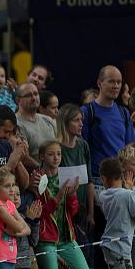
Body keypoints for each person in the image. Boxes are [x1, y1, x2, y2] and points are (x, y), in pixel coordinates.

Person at [35, 141, 92, 269]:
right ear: (42, 156)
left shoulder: (64, 176)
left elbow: (73, 211)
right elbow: (41, 213)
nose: (56, 158)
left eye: (59, 154)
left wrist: (72, 195)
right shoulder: (38, 179)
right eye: (51, 154)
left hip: (66, 236)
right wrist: (59, 196)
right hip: (47, 238)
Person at [81, 66, 135, 181]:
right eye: (111, 81)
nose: (116, 86)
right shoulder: (86, 112)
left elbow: (129, 147)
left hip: (120, 179)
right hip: (97, 178)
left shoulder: (124, 112)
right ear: (99, 83)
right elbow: (81, 149)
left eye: (119, 82)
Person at [56, 104, 95, 258]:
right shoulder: (56, 148)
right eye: (76, 120)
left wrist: (91, 213)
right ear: (65, 122)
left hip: (83, 211)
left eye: (82, 120)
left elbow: (90, 181)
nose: (81, 124)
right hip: (63, 212)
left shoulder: (83, 145)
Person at [15, 82, 54, 170]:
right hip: (34, 177)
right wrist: (45, 170)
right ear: (18, 100)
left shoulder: (48, 120)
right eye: (28, 95)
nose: (34, 98)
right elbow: (24, 158)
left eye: (36, 94)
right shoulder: (16, 123)